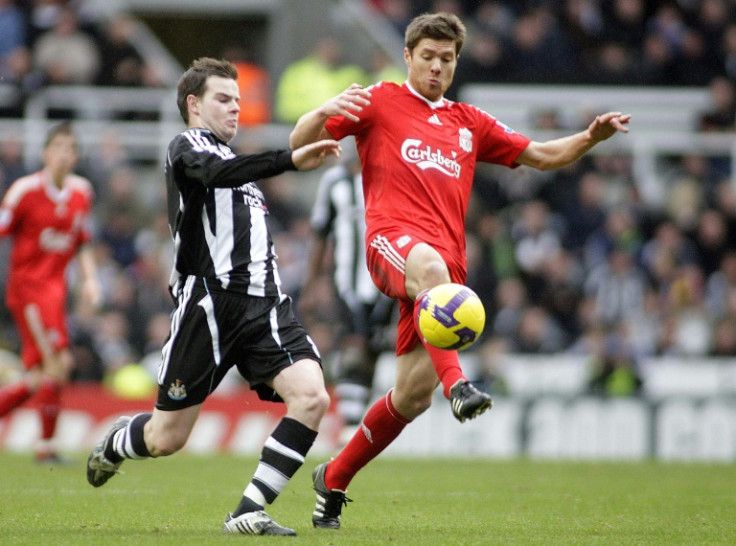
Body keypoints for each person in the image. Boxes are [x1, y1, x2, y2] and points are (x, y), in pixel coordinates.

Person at [289, 11, 630, 528]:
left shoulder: (469, 122)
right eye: (427, 57)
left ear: (455, 63)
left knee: (409, 397)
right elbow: (298, 141)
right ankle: (460, 387)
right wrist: (324, 110)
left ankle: (332, 478)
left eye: (446, 59)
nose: (436, 67)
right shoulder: (379, 101)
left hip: (443, 275)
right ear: (408, 57)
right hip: (394, 246)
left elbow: (540, 155)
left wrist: (589, 138)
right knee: (427, 265)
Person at [85, 57, 342, 537]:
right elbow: (219, 171)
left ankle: (249, 509)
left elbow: (248, 170)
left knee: (311, 397)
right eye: (223, 99)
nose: (235, 110)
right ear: (193, 104)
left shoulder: (239, 168)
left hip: (265, 303)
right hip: (209, 306)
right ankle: (120, 442)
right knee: (167, 438)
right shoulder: (186, 148)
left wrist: (320, 116)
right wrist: (288, 160)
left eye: (239, 102)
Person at [0, 121, 101, 463]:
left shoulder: (81, 192)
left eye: (70, 149)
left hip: (56, 293)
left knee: (40, 375)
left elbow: (83, 242)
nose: (64, 155)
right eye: (58, 147)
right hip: (29, 290)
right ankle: (46, 448)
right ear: (45, 152)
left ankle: (45, 445)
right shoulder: (24, 191)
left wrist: (90, 280)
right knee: (59, 364)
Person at [299, 146, 395, 445]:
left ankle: (358, 421)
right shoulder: (334, 181)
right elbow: (320, 233)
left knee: (373, 349)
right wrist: (311, 284)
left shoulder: (392, 178)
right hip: (347, 282)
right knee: (353, 347)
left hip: (387, 283)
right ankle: (351, 425)